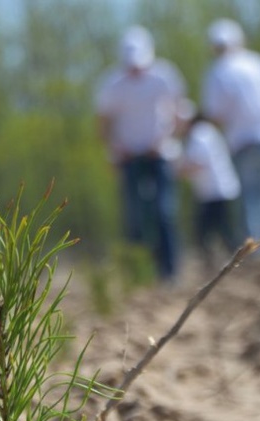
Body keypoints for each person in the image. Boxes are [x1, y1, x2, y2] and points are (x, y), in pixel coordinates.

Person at [95, 26, 187, 281]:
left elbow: (181, 113)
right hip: (129, 158)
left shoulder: (165, 75)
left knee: (164, 211)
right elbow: (103, 124)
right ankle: (137, 274)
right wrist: (115, 148)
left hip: (160, 154)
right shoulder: (112, 84)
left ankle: (170, 273)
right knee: (134, 216)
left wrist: (166, 139)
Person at [202, 18, 260, 254]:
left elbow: (215, 114)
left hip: (242, 141)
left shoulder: (218, 70)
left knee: (249, 200)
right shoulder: (259, 63)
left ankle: (258, 254)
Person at [176, 100, 241, 270]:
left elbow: (198, 163)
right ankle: (228, 264)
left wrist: (178, 170)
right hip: (214, 192)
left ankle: (231, 265)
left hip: (216, 192)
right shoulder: (204, 132)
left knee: (211, 233)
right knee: (217, 232)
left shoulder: (200, 134)